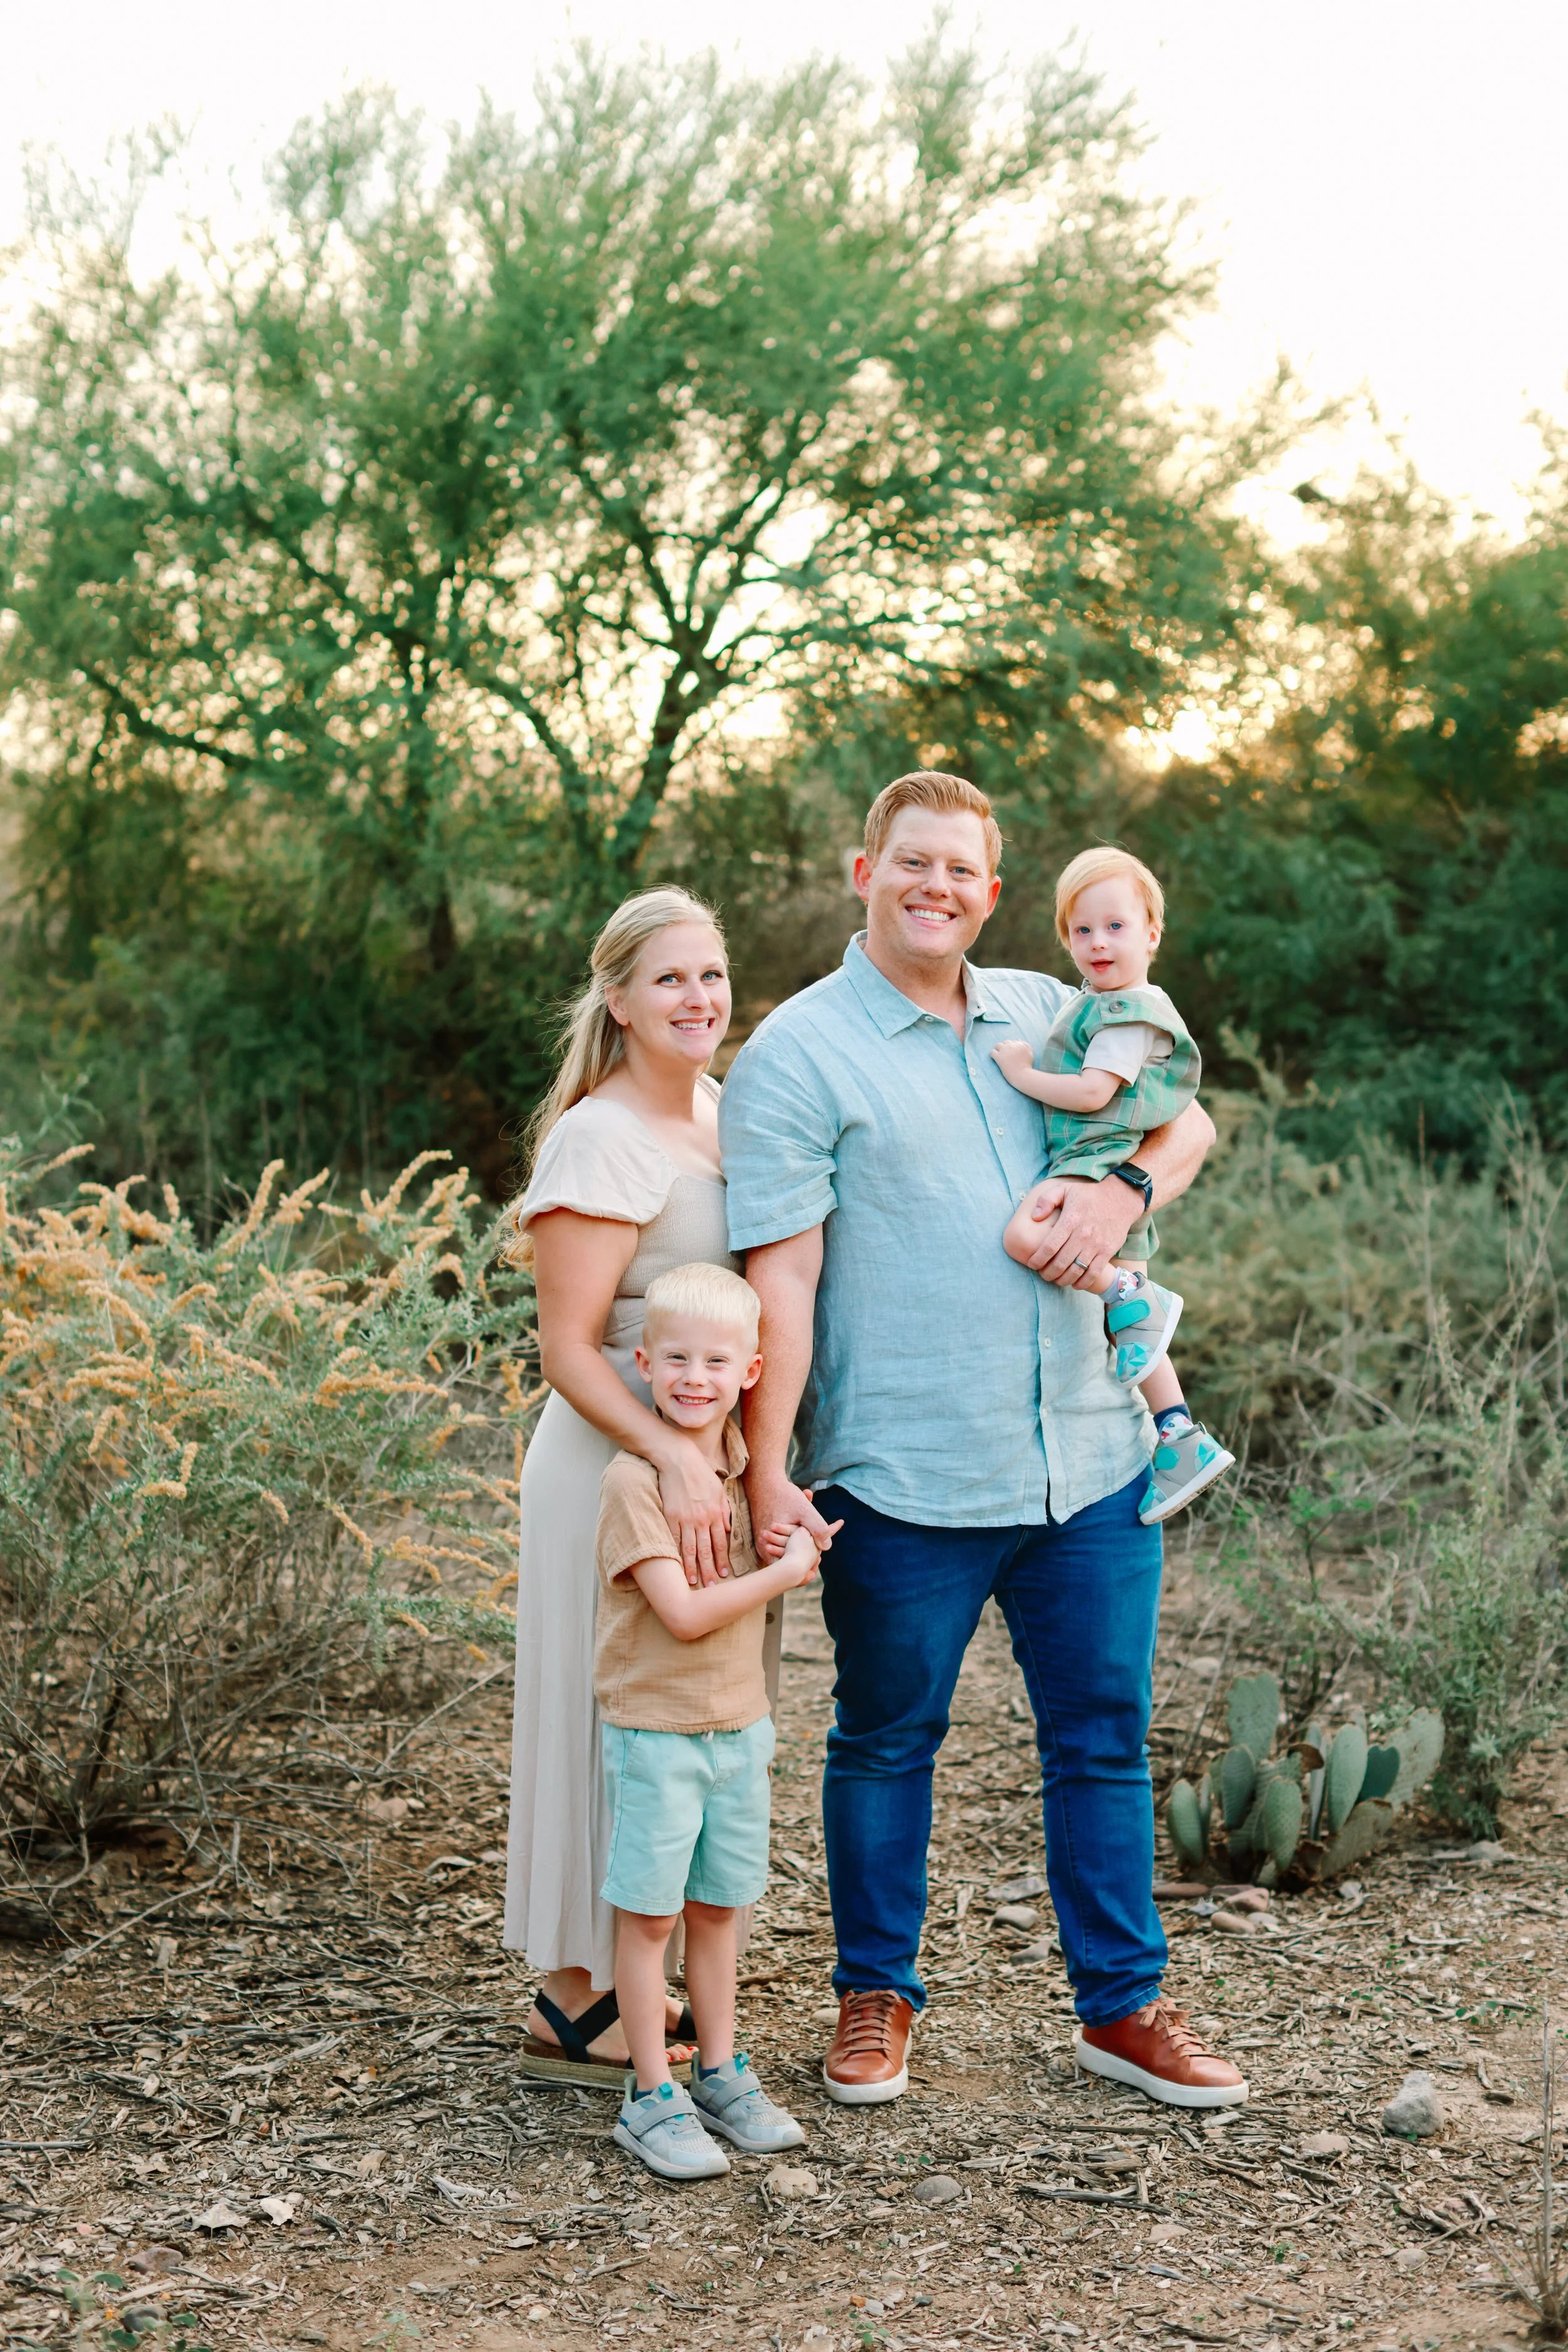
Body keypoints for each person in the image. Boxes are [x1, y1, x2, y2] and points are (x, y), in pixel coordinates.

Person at [719, 770, 1248, 2112]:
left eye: (960, 869)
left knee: (1101, 1739)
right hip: (904, 1473)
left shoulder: (1051, 1009)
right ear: (863, 872)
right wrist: (767, 1465)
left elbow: (1185, 1119)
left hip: (1090, 1456)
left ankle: (1121, 2010)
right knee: (888, 1736)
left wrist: (1126, 1191)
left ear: (992, 891)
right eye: (911, 863)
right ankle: (872, 1997)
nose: (935, 887)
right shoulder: (796, 1052)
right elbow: (781, 1279)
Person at [500, 887, 781, 2087]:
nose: (697, 999)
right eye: (669, 979)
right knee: (606, 1707)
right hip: (608, 1466)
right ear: (616, 1000)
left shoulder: (723, 1114)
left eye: (711, 976)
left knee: (687, 1718)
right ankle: (577, 1993)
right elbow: (566, 1348)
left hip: (694, 1466)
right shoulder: (599, 1136)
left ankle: (652, 1966)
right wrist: (671, 1457)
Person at [596, 1262, 834, 2180]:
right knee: (652, 1916)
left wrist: (784, 1536)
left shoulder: (743, 1472)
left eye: (718, 1360)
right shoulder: (636, 1480)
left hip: (740, 1728)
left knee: (720, 1907)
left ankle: (721, 2068)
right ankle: (650, 2091)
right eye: (678, 1358)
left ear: (752, 1371)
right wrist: (786, 1574)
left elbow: (757, 1556)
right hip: (659, 1731)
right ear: (645, 1363)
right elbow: (684, 1614)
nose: (696, 1376)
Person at [992, 844, 1236, 1525]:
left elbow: (1093, 1088)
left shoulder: (1127, 1012)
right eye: (1081, 930)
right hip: (1107, 1164)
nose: (1097, 942)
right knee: (1137, 1339)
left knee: (1025, 1234)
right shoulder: (1095, 1002)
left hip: (1096, 1159)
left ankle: (1126, 1291)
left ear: (1152, 933)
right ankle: (1179, 1434)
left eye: (1116, 926)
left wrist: (1020, 1073)